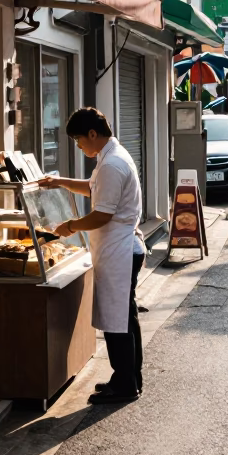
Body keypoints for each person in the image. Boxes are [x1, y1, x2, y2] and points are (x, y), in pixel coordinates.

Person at [40, 107, 146, 404]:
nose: (79, 146)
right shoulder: (110, 157)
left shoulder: (112, 163)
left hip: (119, 250)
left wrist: (70, 226)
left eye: (78, 140)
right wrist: (60, 182)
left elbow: (102, 215)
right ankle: (128, 377)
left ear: (92, 134)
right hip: (119, 248)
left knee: (117, 321)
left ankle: (125, 385)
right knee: (125, 318)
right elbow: (92, 188)